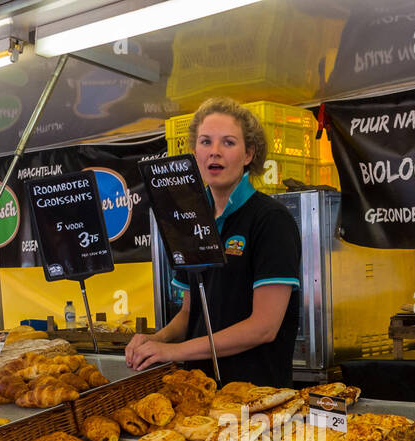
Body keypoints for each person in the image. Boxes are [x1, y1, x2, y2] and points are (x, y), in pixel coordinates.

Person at [126, 97, 302, 387]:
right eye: (206, 142)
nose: (215, 152)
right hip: (201, 390)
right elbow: (190, 312)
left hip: (254, 398)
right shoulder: (191, 220)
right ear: (194, 152)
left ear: (249, 154)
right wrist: (156, 340)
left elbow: (264, 328)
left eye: (229, 143)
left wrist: (174, 351)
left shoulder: (271, 220)